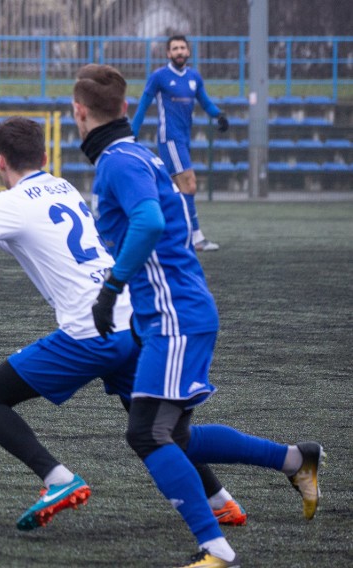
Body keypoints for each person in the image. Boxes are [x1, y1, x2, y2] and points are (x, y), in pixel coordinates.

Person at [0, 116, 248, 533]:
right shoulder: (63, 185)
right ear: (45, 155)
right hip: (133, 321)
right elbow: (47, 241)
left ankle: (58, 479)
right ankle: (220, 500)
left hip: (91, 330)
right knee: (160, 432)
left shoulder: (9, 203)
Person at [75, 63, 324, 567]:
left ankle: (216, 549)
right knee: (178, 435)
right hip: (173, 313)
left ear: (78, 113)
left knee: (147, 433)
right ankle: (296, 459)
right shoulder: (134, 154)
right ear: (125, 109)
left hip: (177, 318)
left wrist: (110, 290)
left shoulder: (118, 162)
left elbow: (148, 221)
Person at [131, 35, 228, 252]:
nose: (179, 51)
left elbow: (205, 101)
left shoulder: (194, 77)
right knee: (189, 183)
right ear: (168, 53)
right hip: (170, 138)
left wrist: (218, 115)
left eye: (182, 48)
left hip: (185, 138)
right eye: (175, 48)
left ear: (188, 52)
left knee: (174, 189)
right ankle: (195, 238)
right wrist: (133, 132)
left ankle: (165, 235)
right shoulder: (159, 76)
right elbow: (144, 104)